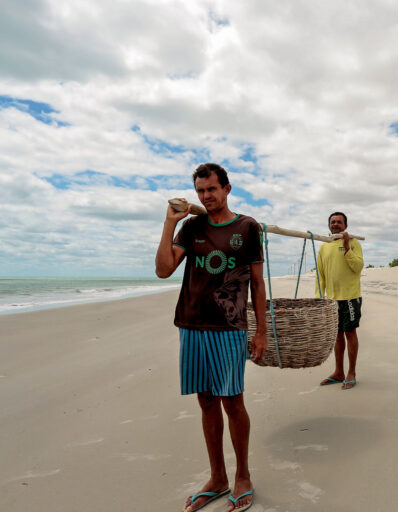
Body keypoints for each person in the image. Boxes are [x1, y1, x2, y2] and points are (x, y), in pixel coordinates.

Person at [155, 163, 266, 512]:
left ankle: (242, 475)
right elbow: (163, 269)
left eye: (212, 189)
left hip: (230, 327)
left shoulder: (248, 228)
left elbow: (258, 284)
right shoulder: (192, 226)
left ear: (227, 189)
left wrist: (261, 331)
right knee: (206, 401)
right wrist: (170, 222)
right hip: (191, 324)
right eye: (201, 191)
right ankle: (217, 477)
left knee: (232, 401)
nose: (206, 196)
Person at [315, 211, 364, 390]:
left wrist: (346, 246)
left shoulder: (354, 243)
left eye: (339, 222)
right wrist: (320, 298)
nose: (335, 224)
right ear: (329, 225)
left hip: (350, 297)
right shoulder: (323, 247)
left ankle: (351, 372)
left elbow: (357, 267)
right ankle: (338, 372)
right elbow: (320, 275)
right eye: (333, 222)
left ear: (345, 226)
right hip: (332, 299)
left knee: (350, 333)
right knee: (336, 337)